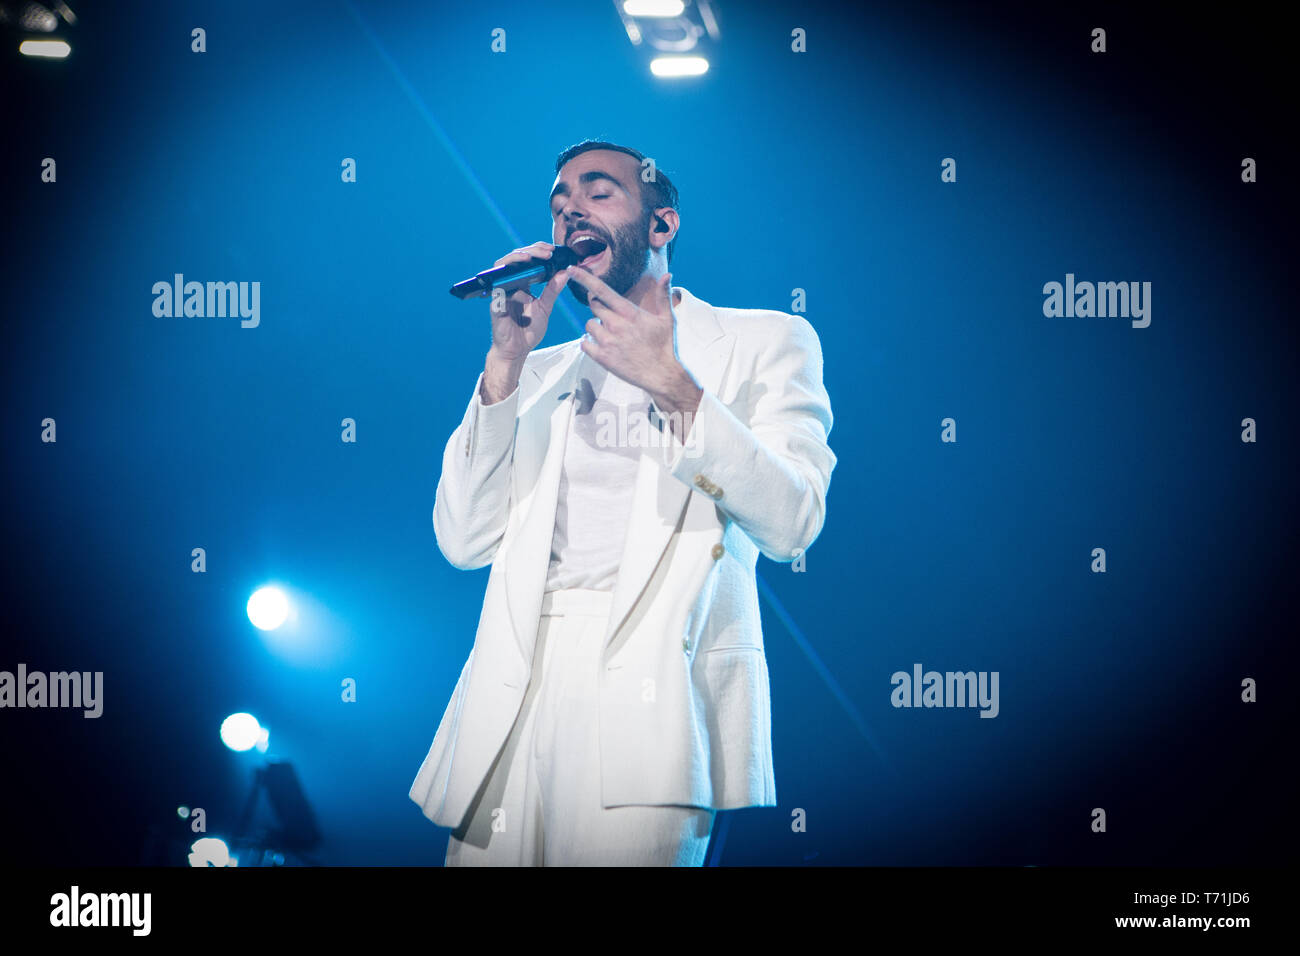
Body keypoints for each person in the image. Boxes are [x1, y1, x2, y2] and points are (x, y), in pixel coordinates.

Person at [409, 140, 837, 865]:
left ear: (662, 225)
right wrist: (504, 366)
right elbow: (461, 541)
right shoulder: (533, 371)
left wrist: (674, 385)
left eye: (598, 191)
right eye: (559, 202)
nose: (570, 207)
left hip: (654, 698)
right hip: (509, 701)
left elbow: (793, 523)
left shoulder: (764, 341)